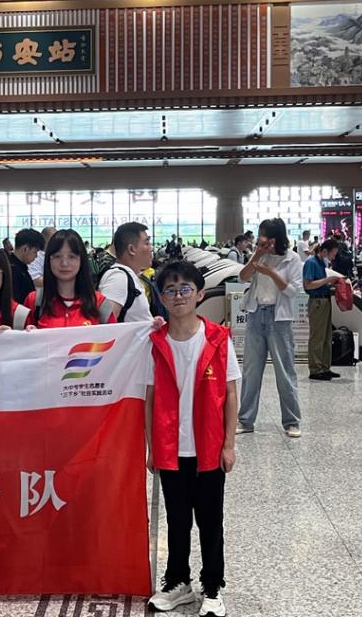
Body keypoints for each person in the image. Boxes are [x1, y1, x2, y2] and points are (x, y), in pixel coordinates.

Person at [145, 261, 239, 617]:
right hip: (172, 448)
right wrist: (152, 448)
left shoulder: (217, 338)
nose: (178, 296)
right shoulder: (156, 343)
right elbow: (149, 398)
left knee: (211, 521)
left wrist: (228, 445)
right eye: (170, 290)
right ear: (162, 298)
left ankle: (212, 586)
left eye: (185, 288)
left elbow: (230, 395)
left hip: (209, 447)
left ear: (200, 294)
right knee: (178, 520)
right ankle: (178, 582)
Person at [236, 218, 304, 438]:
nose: (263, 240)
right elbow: (242, 277)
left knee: (285, 371)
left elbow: (293, 291)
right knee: (251, 371)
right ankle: (245, 420)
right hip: (256, 314)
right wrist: (256, 256)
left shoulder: (292, 258)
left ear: (277, 238)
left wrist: (271, 273)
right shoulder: (259, 255)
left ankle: (292, 421)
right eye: (261, 236)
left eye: (266, 236)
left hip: (279, 319)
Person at [26, 229, 114, 327]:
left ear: (82, 260)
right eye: (57, 256)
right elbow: (21, 335)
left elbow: (116, 335)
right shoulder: (35, 301)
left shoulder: (99, 302)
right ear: (48, 260)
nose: (64, 263)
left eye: (72, 257)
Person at [303, 239, 344, 381]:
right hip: (317, 302)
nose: (333, 257)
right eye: (333, 254)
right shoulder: (311, 263)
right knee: (317, 336)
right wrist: (328, 280)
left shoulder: (321, 263)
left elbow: (319, 283)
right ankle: (315, 369)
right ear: (325, 251)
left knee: (326, 336)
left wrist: (332, 285)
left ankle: (325, 367)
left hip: (325, 300)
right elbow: (308, 285)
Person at [99, 222, 154, 323]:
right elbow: (104, 322)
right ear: (131, 249)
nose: (151, 248)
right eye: (147, 243)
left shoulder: (129, 276)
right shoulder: (118, 277)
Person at [8, 228, 44, 306]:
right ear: (25, 249)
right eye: (35, 252)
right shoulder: (13, 270)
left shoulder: (20, 267)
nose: (36, 256)